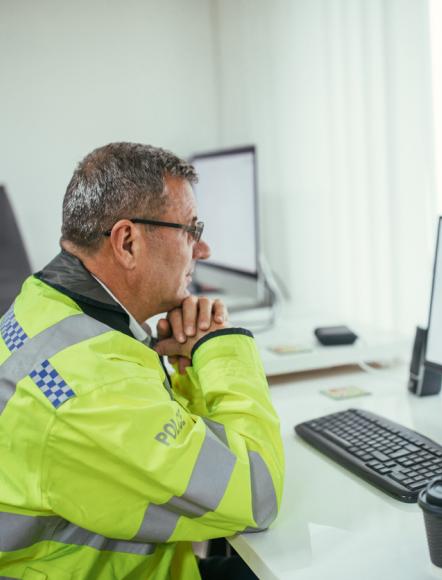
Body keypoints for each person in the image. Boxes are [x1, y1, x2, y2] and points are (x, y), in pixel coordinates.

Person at [0, 142, 285, 579]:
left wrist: (187, 366)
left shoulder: (45, 306)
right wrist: (222, 345)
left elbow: (168, 442)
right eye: (191, 228)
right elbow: (257, 493)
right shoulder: (92, 391)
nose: (203, 249)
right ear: (128, 241)